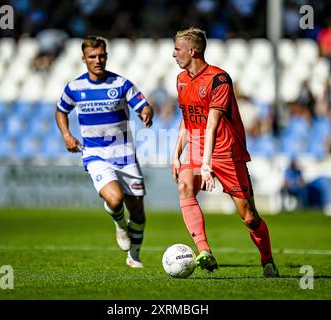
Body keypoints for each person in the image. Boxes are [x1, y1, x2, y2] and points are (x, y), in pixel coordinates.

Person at [171, 27, 279, 277]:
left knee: (250, 217)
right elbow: (187, 120)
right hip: (198, 147)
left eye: (177, 49)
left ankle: (267, 260)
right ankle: (204, 251)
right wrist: (176, 155)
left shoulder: (219, 79)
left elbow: (212, 123)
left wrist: (207, 164)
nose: (173, 54)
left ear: (192, 50)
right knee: (185, 186)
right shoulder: (181, 79)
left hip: (226, 152)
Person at [55, 36, 154, 268]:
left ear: (106, 56)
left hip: (125, 155)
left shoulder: (121, 84)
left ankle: (134, 256)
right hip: (96, 154)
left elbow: (143, 104)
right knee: (115, 198)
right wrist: (67, 136)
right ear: (84, 59)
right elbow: (61, 111)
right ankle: (120, 225)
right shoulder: (75, 87)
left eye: (101, 56)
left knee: (138, 213)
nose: (98, 60)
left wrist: (147, 111)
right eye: (92, 57)